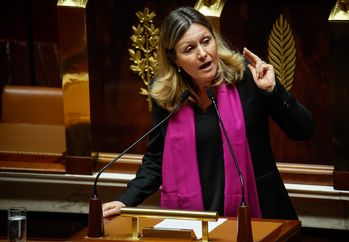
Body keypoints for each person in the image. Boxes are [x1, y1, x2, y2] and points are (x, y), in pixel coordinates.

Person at [102, 6, 313, 220]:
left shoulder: (244, 77)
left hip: (259, 213)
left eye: (206, 41)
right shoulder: (168, 95)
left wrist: (272, 90)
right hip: (198, 221)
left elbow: (304, 130)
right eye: (189, 49)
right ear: (175, 60)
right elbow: (156, 159)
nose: (203, 54)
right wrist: (126, 200)